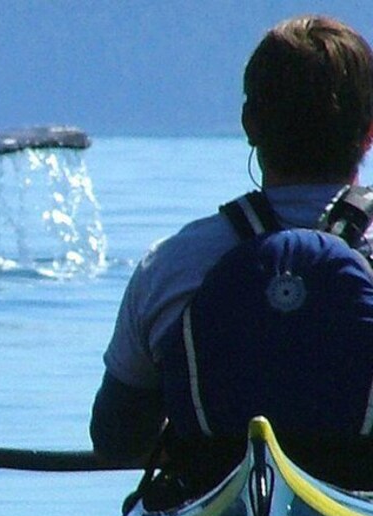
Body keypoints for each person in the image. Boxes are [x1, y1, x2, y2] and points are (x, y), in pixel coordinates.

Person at [90, 15, 373, 479]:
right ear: (369, 132)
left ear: (249, 125)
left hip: (216, 507)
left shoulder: (172, 265)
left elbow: (117, 440)